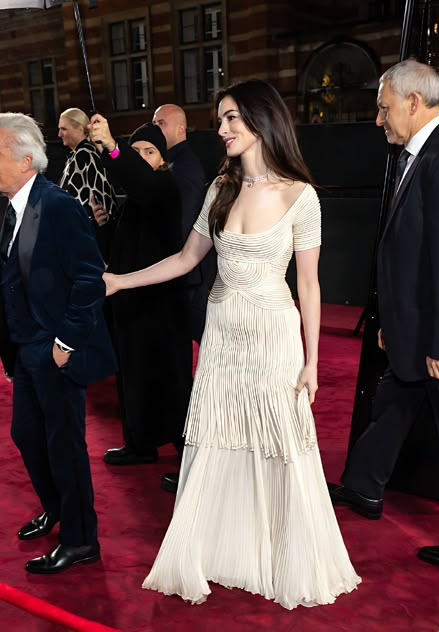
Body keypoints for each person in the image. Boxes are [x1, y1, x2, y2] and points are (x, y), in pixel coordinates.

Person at [104, 80, 361, 608]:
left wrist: (313, 362)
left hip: (272, 335)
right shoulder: (220, 189)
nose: (219, 130)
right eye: (220, 119)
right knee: (218, 435)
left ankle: (281, 553)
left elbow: (309, 285)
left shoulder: (300, 196)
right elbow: (184, 260)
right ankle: (221, 547)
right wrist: (120, 280)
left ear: (262, 121)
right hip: (222, 333)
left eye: (230, 120)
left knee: (276, 443)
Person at [328, 60, 439, 569]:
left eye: (383, 108)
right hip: (417, 327)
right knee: (393, 401)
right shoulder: (421, 155)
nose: (377, 120)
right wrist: (397, 322)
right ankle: (364, 487)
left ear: (414, 102)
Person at [0, 112, 116, 574]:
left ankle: (81, 539)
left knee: (63, 443)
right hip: (22, 347)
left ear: (26, 159)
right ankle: (58, 507)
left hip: (55, 348)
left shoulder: (59, 205)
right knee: (26, 434)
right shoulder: (6, 208)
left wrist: (66, 341)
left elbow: (91, 277)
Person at [88, 117, 193, 466]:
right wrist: (104, 225)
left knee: (169, 376)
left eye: (149, 151)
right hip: (129, 304)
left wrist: (114, 148)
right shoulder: (134, 200)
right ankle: (139, 443)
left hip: (160, 305)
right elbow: (118, 251)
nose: (142, 157)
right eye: (136, 151)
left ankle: (186, 448)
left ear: (161, 159)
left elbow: (141, 182)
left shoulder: (164, 188)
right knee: (131, 375)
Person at [152, 103, 208, 493]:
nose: (154, 128)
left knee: (204, 372)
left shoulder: (185, 168)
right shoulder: (173, 165)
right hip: (184, 280)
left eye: (159, 123)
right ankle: (190, 450)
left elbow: (186, 235)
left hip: (190, 285)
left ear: (179, 127)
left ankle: (195, 452)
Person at [58, 107, 117, 223]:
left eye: (63, 129)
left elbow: (78, 200)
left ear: (80, 129)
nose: (59, 134)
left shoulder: (84, 154)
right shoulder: (83, 153)